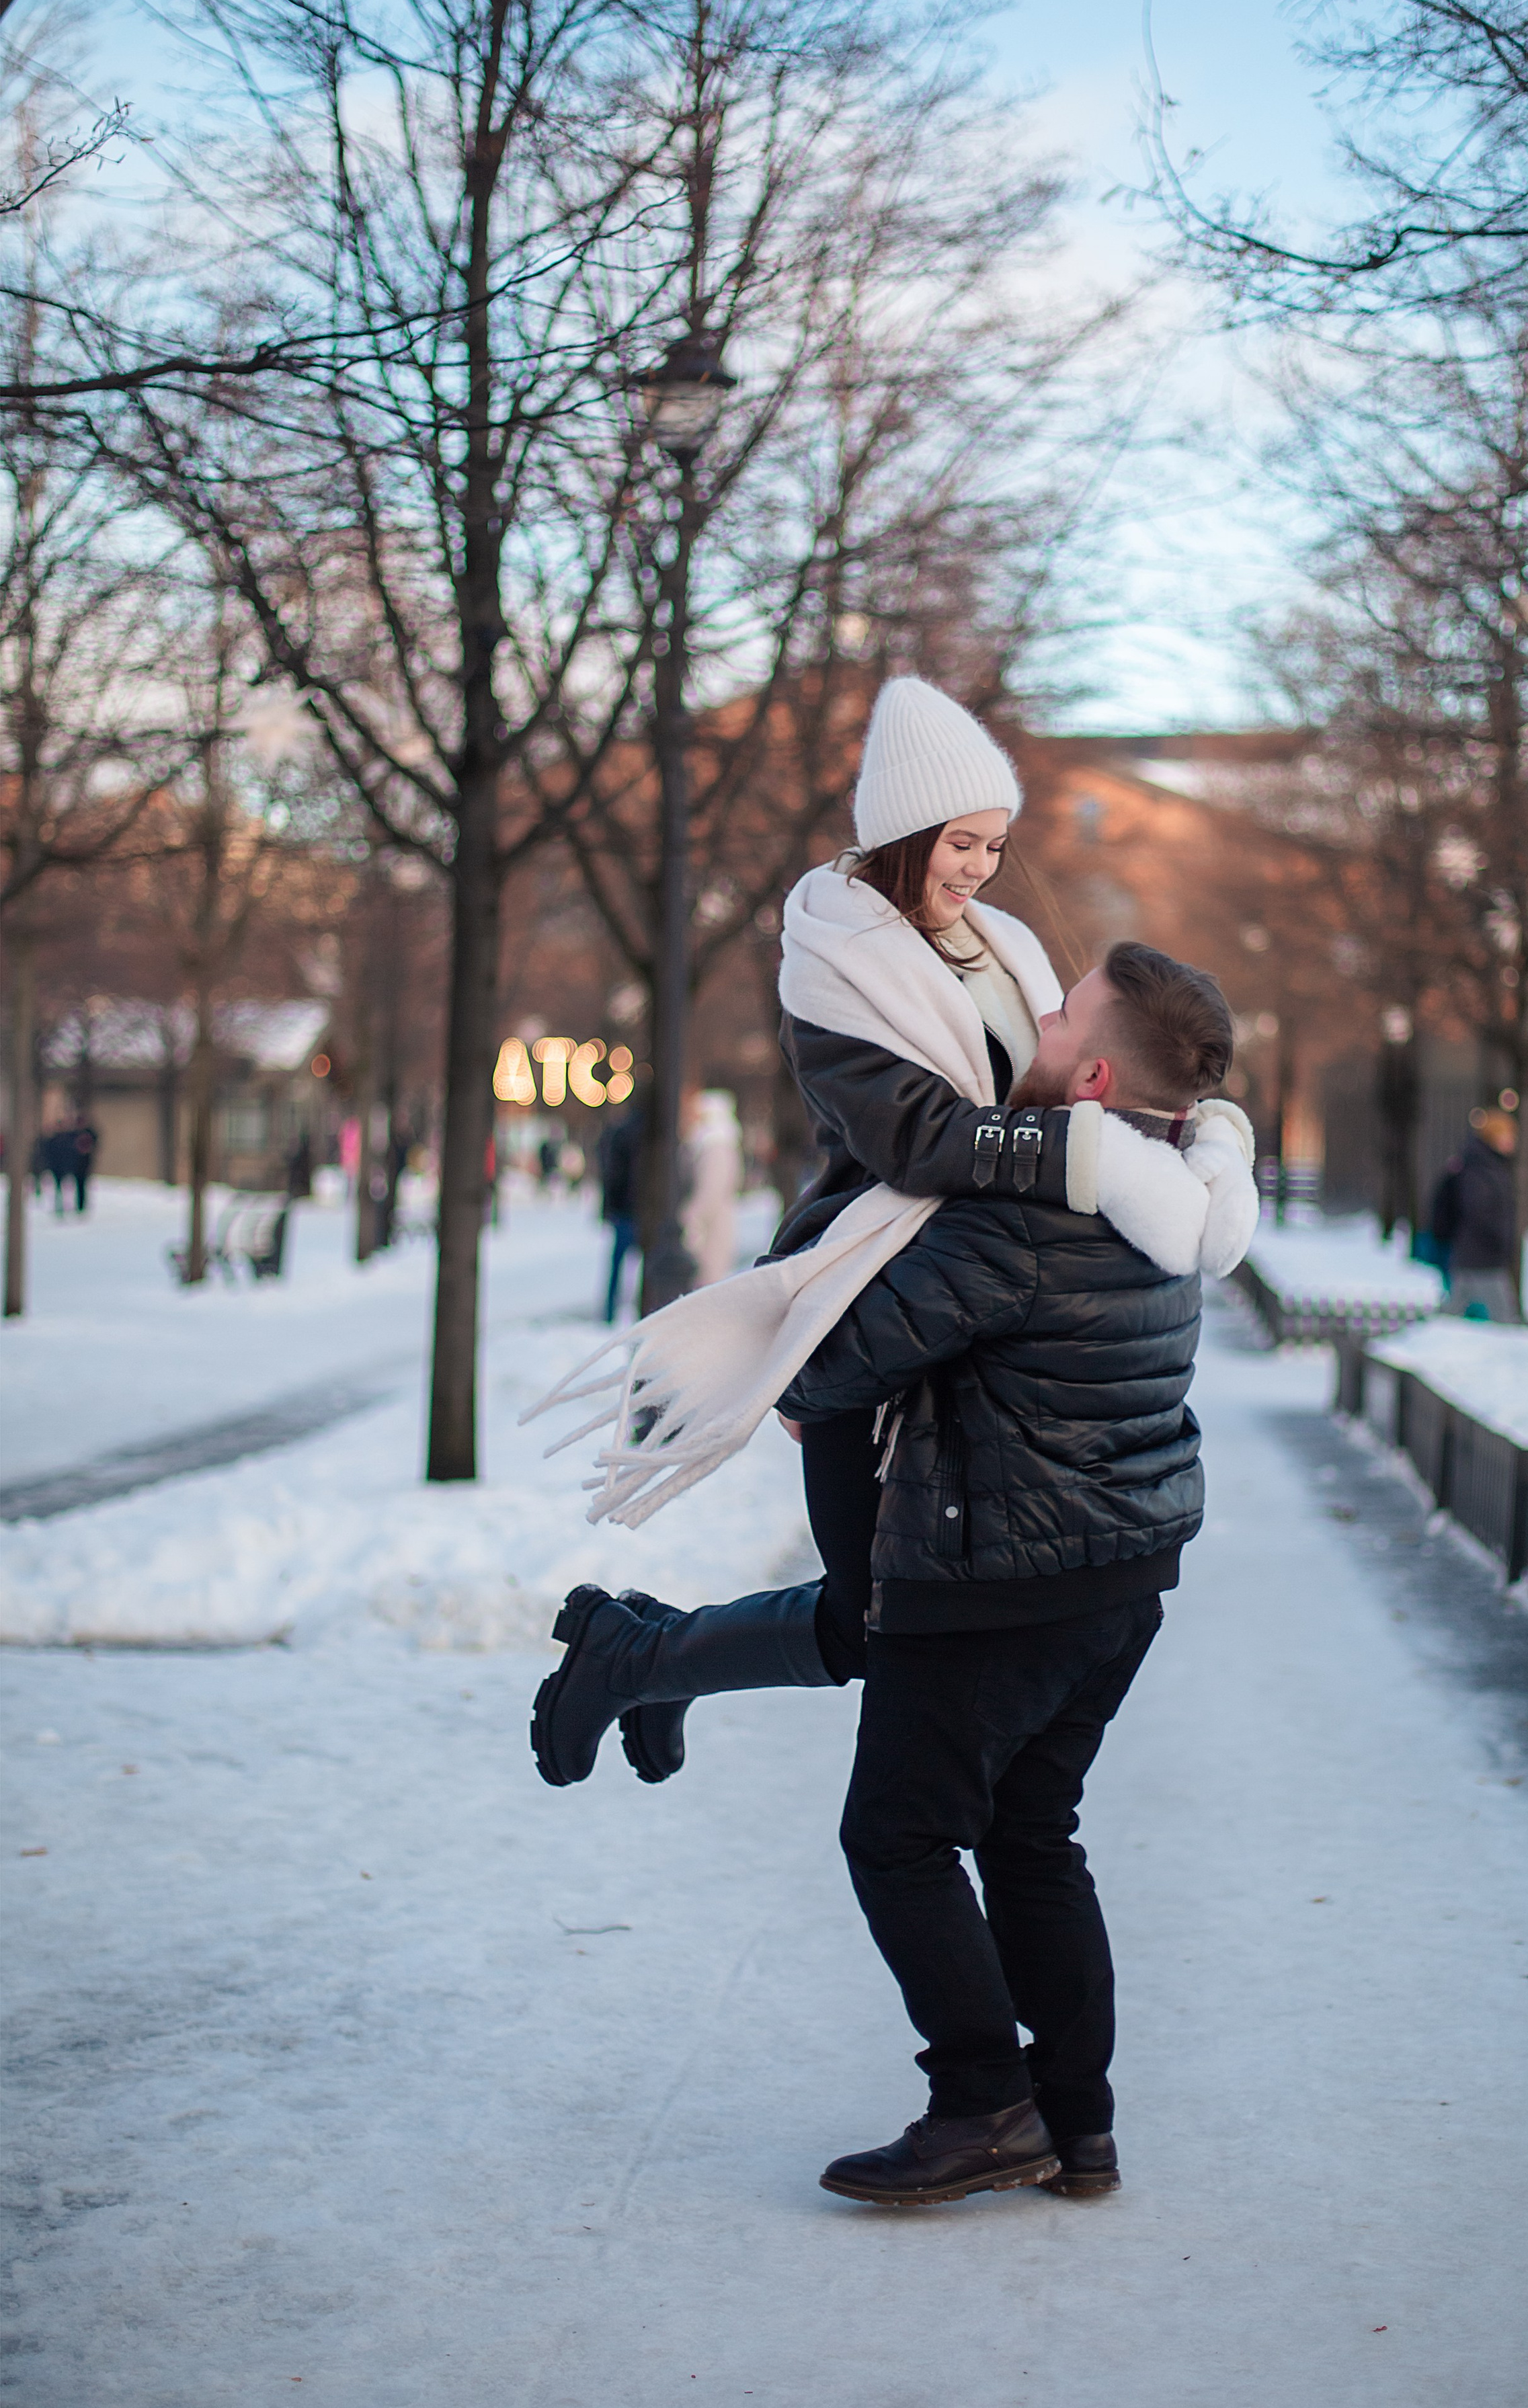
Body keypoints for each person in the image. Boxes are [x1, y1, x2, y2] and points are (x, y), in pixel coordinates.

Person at [537, 945, 1242, 2206]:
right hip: (1119, 1576)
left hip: (993, 1582)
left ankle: (984, 2103)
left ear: (1091, 1078)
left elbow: (830, 1363)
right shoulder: (1177, 1186)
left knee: (899, 1840)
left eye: (1063, 1011)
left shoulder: (1023, 1211)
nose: (1038, 1012)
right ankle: (1076, 2124)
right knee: (1032, 1836)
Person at [526, 678, 1252, 1790]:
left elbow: (1097, 1072)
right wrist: (1093, 1158)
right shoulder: (837, 962)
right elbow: (917, 1139)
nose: (979, 870)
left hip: (963, 1305)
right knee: (871, 1619)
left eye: (995, 846)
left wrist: (1198, 1132)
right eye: (961, 842)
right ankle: (636, 1660)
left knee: (875, 1617)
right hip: (869, 1293)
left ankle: (642, 1659)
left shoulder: (1000, 946)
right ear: (905, 832)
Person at [1429, 1107, 1521, 1322]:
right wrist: (1498, 1236)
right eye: (1507, 1135)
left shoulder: (1487, 1166)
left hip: (1475, 1255)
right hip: (1482, 1256)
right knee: (1505, 1317)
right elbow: (1477, 1210)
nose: (1512, 1141)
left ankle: (1431, 1334)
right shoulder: (1482, 1169)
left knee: (1454, 1311)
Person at [680, 1088, 742, 1286]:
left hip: (709, 1229)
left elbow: (710, 1193)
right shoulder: (714, 1144)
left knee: (706, 1281)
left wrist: (691, 1218)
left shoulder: (716, 1146)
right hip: (712, 1226)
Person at [596, 1100, 644, 1324]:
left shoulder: (620, 1133)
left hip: (624, 1210)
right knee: (638, 1264)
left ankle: (610, 1310)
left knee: (618, 1264)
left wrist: (609, 1208)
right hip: (634, 1209)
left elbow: (611, 1175)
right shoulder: (644, 1136)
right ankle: (623, 1310)